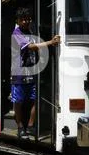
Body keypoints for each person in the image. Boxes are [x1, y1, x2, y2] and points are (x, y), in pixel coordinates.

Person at [11, 7, 60, 139]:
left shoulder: (30, 31)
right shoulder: (16, 33)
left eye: (28, 19)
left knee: (34, 99)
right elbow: (31, 47)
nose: (26, 21)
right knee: (18, 101)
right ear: (18, 21)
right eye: (23, 19)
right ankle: (20, 128)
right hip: (19, 73)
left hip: (31, 71)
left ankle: (31, 126)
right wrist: (51, 42)